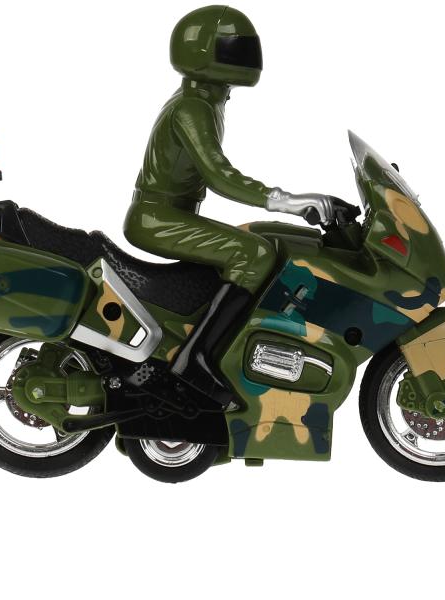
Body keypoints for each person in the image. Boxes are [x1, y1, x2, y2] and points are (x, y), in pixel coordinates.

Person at [124, 5, 334, 404]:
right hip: (156, 218)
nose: (243, 57)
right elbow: (219, 174)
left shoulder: (204, 102)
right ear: (204, 51)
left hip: (167, 214)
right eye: (233, 47)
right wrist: (284, 200)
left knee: (263, 239)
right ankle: (195, 360)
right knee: (254, 253)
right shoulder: (192, 108)